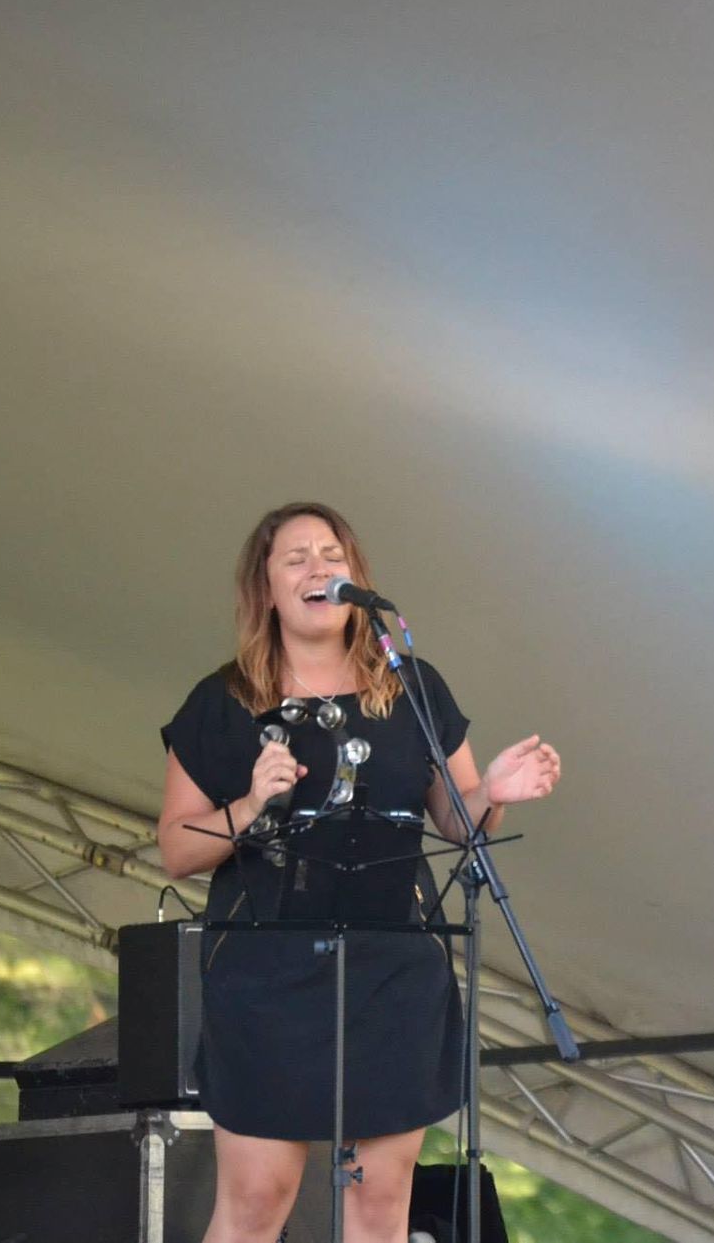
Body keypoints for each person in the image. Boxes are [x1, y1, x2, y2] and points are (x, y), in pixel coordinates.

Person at [157, 502, 562, 1243]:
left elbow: (458, 822)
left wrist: (492, 793)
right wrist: (250, 803)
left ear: (356, 576)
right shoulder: (224, 700)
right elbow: (177, 848)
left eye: (332, 555)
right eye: (297, 558)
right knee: (257, 1200)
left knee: (380, 1204)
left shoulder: (412, 687)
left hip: (390, 968)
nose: (318, 569)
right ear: (266, 588)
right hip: (268, 977)